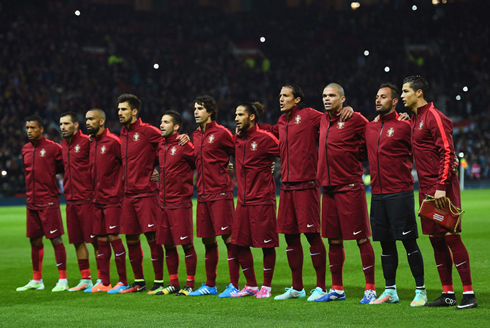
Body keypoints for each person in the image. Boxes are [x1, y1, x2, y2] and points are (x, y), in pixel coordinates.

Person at [401, 75, 477, 309]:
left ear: (419, 93)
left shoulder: (434, 116)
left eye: (405, 91)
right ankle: (447, 294)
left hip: (441, 188)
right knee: (435, 240)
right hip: (425, 190)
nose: (402, 96)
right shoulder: (415, 119)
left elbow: (447, 153)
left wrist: (441, 187)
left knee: (451, 237)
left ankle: (469, 295)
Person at [364, 84, 426, 306]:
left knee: (409, 242)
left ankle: (421, 290)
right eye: (377, 97)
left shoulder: (405, 125)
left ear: (394, 101)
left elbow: (425, 144)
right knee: (385, 244)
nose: (378, 100)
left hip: (400, 192)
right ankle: (390, 290)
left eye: (384, 97)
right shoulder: (370, 128)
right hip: (378, 194)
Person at [315, 83, 376, 304]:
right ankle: (337, 289)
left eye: (331, 95)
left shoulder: (355, 118)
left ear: (342, 99)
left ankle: (370, 289)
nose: (327, 99)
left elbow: (375, 131)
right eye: (324, 95)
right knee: (333, 241)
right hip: (328, 189)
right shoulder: (321, 120)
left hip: (350, 187)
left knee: (361, 238)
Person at [188, 95, 240, 297]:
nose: (195, 112)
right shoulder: (195, 135)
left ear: (210, 112)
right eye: (194, 108)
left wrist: (231, 166)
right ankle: (210, 285)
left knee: (229, 239)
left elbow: (240, 151)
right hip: (202, 194)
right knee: (207, 240)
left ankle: (234, 285)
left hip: (220, 193)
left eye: (200, 108)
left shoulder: (221, 133)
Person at [230, 102, 280, 299]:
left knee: (267, 245)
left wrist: (274, 167)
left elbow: (286, 153)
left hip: (262, 200)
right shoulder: (237, 139)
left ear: (251, 117)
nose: (236, 118)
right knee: (240, 244)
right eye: (235, 114)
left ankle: (266, 287)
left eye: (240, 114)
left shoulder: (265, 138)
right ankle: (251, 285)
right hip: (242, 201)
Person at [118, 94, 164, 294]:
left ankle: (160, 281)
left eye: (124, 109)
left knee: (152, 237)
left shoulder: (148, 132)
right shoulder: (122, 133)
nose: (120, 113)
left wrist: (158, 168)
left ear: (134, 111)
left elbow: (167, 145)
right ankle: (139, 282)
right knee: (131, 239)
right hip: (127, 195)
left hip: (146, 193)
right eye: (119, 109)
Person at [17, 115, 68, 292]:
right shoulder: (25, 149)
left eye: (32, 128)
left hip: (49, 200)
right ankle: (37, 280)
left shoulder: (54, 148)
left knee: (56, 239)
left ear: (41, 129)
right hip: (31, 201)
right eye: (27, 128)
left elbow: (63, 168)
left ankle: (63, 279)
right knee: (34, 241)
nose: (29, 131)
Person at [84, 109, 129, 293]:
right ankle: (105, 282)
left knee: (113, 238)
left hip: (112, 199)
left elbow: (127, 163)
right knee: (100, 239)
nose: (87, 122)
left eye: (91, 119)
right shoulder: (92, 142)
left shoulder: (113, 141)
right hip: (97, 199)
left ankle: (123, 281)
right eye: (86, 119)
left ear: (101, 122)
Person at [154, 111, 198, 296]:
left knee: (186, 244)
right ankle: (173, 283)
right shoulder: (160, 146)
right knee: (168, 245)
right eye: (161, 122)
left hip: (180, 202)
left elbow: (202, 161)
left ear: (176, 127)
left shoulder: (184, 145)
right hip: (163, 203)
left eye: (166, 122)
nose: (162, 125)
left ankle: (190, 283)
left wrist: (226, 166)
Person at [59, 112, 100, 291]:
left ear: (76, 125)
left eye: (66, 124)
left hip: (87, 199)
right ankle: (86, 279)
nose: (63, 127)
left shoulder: (87, 142)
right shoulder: (63, 144)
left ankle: (102, 278)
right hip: (70, 200)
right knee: (77, 240)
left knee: (95, 240)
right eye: (61, 124)